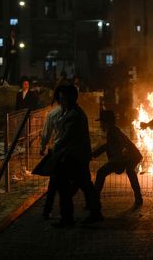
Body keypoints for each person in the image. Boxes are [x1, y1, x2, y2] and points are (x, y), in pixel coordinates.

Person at [52, 85, 103, 228]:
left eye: (63, 99)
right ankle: (94, 212)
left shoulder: (73, 115)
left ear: (70, 99)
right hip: (77, 155)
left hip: (74, 156)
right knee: (85, 185)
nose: (60, 101)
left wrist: (55, 148)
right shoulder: (73, 112)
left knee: (66, 186)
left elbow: (66, 137)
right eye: (60, 99)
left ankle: (68, 218)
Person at [92, 110, 143, 206]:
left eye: (102, 122)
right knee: (130, 171)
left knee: (101, 173)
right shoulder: (112, 129)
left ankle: (93, 202)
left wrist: (119, 157)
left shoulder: (112, 130)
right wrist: (94, 154)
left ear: (106, 122)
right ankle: (138, 198)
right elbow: (108, 145)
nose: (101, 125)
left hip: (128, 156)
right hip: (131, 155)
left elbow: (121, 143)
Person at [39, 85, 65, 219]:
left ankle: (48, 210)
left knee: (54, 182)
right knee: (81, 180)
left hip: (58, 151)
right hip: (69, 151)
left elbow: (46, 133)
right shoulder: (75, 112)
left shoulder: (53, 113)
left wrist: (42, 147)